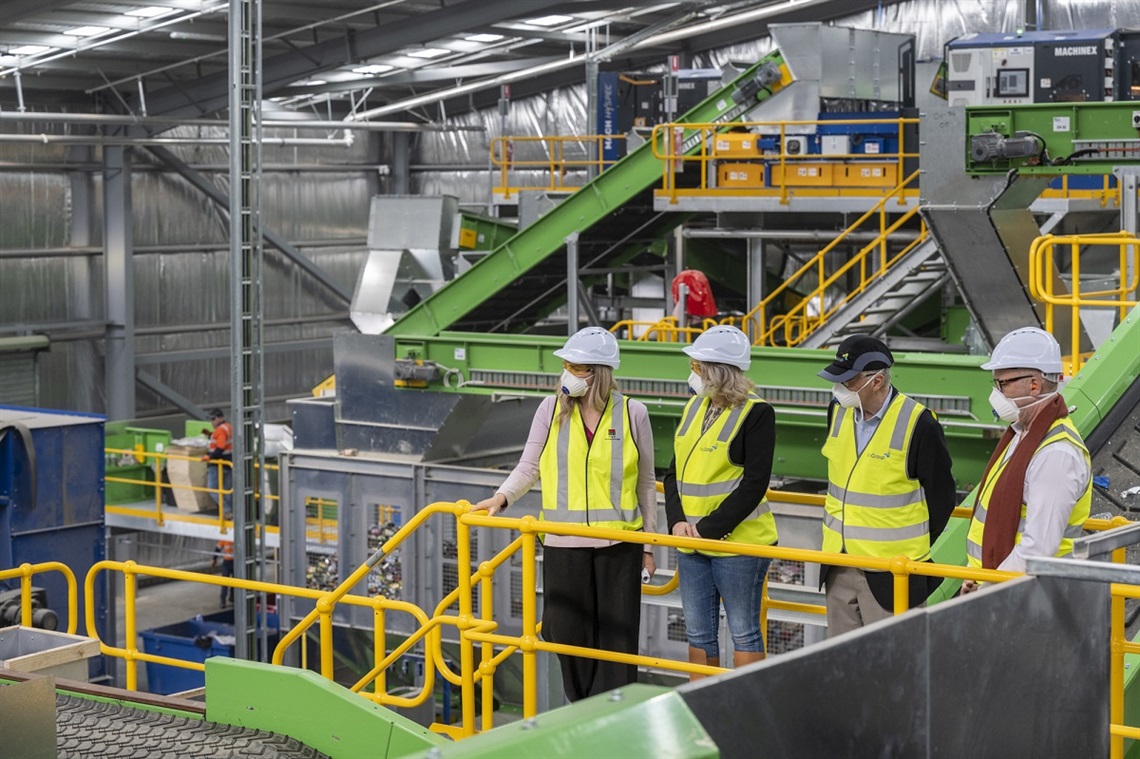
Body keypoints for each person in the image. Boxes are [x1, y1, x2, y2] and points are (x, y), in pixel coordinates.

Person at [472, 327, 658, 702]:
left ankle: (612, 717)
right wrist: (501, 498)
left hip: (620, 544)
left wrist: (650, 546)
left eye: (576, 367)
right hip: (563, 541)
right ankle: (581, 705)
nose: (567, 374)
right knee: (565, 630)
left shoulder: (633, 413)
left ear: (598, 373)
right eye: (567, 365)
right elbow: (529, 466)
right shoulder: (550, 409)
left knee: (616, 640)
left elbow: (647, 483)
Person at [816, 335, 956, 636]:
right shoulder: (836, 412)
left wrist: (909, 544)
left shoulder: (919, 424)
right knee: (842, 662)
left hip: (893, 573)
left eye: (848, 382)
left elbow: (942, 498)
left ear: (876, 381)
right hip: (838, 562)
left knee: (893, 663)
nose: (840, 389)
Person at [663, 326, 777, 679]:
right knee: (697, 631)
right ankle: (703, 704)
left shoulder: (757, 413)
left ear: (716, 371)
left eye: (697, 366)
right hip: (690, 541)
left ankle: (747, 705)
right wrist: (677, 522)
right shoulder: (694, 407)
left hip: (739, 546)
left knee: (743, 631)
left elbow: (754, 484)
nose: (692, 373)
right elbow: (673, 473)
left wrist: (706, 529)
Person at [962, 327, 1091, 592]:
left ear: (1034, 385)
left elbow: (1039, 548)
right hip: (1003, 587)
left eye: (1002, 384)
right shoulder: (1021, 435)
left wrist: (986, 590)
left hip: (1031, 595)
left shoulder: (1056, 455)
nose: (995, 393)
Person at [202, 408, 233, 515]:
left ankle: (226, 510)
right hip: (229, 463)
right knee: (227, 490)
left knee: (212, 489)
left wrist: (209, 457)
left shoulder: (220, 430)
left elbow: (220, 448)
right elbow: (225, 441)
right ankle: (230, 512)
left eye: (213, 419)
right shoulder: (228, 427)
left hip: (218, 464)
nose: (212, 422)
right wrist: (211, 435)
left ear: (220, 418)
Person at [212, 539, 235, 607]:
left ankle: (228, 599)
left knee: (231, 582)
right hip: (230, 562)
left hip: (230, 562)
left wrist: (214, 559)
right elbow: (218, 548)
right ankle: (226, 599)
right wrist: (214, 559)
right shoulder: (226, 538)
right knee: (228, 582)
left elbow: (218, 548)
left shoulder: (225, 538)